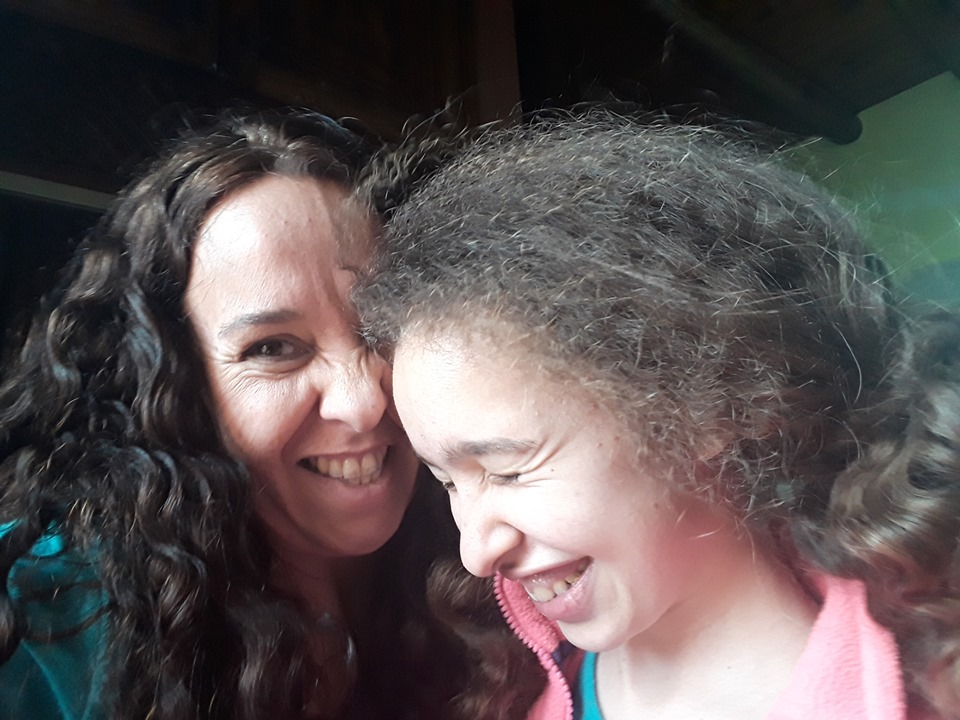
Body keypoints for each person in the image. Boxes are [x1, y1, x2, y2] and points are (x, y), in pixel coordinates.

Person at [356, 113, 960, 720]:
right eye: (447, 482)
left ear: (715, 406)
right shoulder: (523, 678)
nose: (476, 554)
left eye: (509, 470)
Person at [0, 109, 477, 720]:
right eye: (273, 348)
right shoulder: (43, 618)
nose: (364, 402)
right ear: (182, 384)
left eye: (382, 327)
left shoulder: (511, 551)